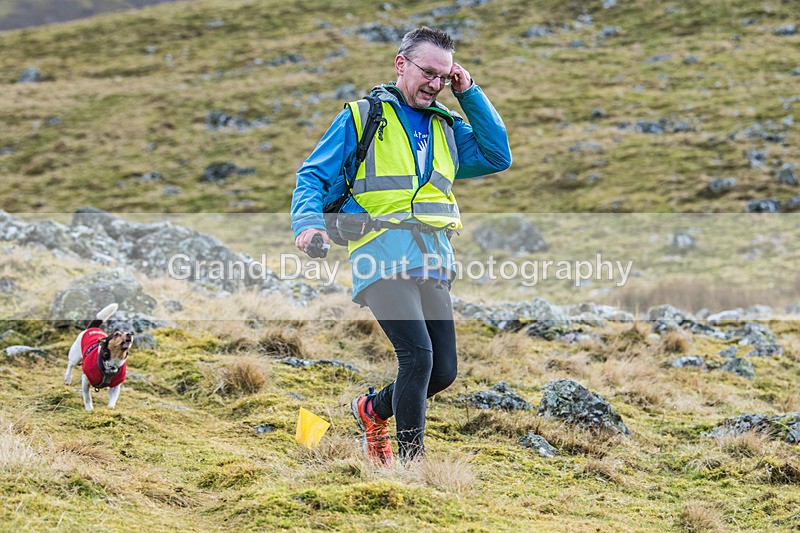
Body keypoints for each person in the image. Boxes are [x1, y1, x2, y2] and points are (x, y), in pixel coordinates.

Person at [291, 27, 511, 465]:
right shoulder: (362, 115)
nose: (435, 83)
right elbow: (312, 175)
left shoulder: (448, 127)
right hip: (380, 253)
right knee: (418, 356)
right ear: (400, 65)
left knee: (443, 370)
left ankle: (371, 410)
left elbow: (497, 155)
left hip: (434, 259)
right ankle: (414, 468)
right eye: (428, 72)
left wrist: (469, 94)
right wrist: (308, 225)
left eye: (444, 77)